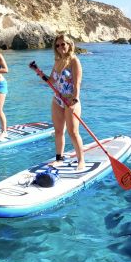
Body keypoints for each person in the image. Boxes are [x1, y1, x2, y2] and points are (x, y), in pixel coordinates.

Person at [50, 33, 85, 170]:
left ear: (69, 44)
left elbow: (77, 84)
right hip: (57, 100)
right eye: (57, 45)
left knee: (73, 132)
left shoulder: (74, 61)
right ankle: (59, 158)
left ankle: (81, 160)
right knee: (58, 131)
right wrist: (40, 74)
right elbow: (52, 81)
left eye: (63, 44)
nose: (60, 47)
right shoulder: (57, 61)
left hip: (71, 101)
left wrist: (74, 100)